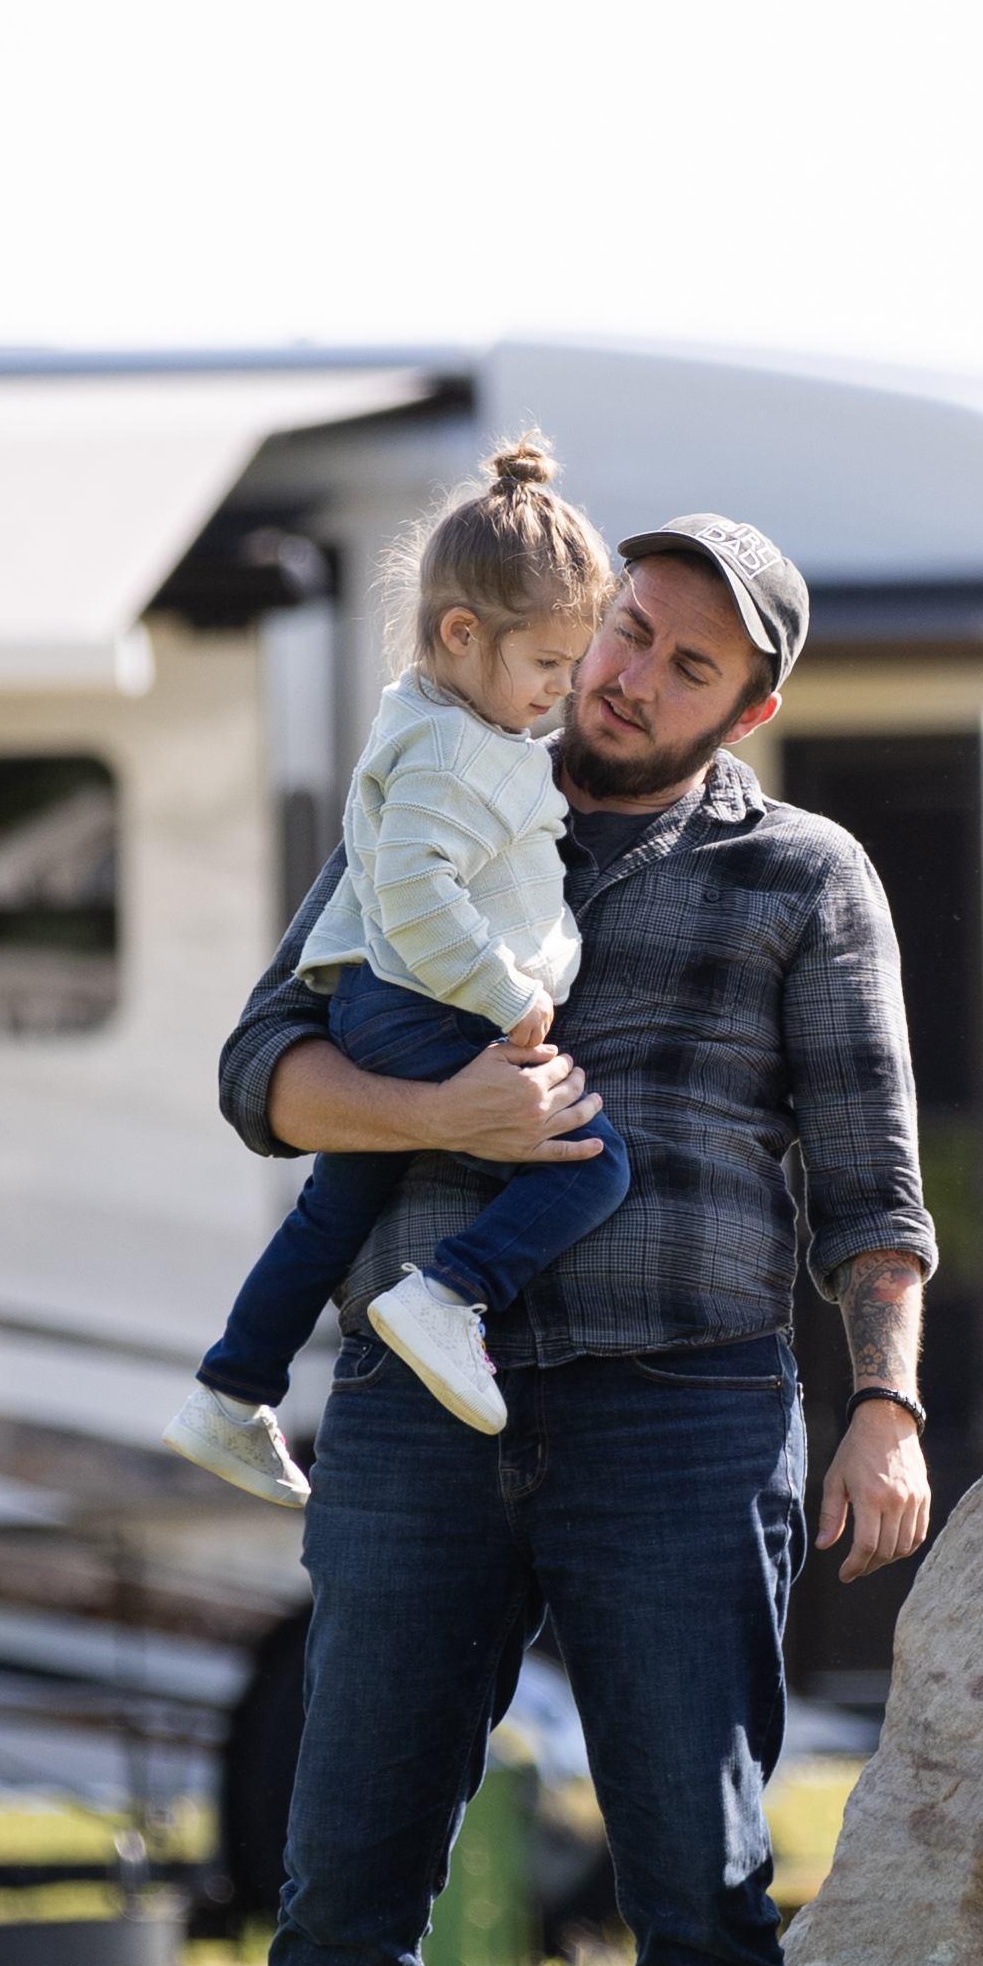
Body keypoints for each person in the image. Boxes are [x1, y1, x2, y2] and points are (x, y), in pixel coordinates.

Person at [217, 508, 932, 1966]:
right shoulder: (436, 787)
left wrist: (888, 1406)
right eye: (629, 633)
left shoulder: (804, 877)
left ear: (744, 714)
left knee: (702, 1875)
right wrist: (435, 1113)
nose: (632, 676)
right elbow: (262, 1071)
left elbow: (870, 1181)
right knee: (346, 1878)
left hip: (682, 1418)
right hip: (412, 1414)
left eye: (692, 665)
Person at [166, 440, 637, 1504]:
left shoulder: (449, 722)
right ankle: (452, 1294)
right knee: (594, 1160)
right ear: (463, 634)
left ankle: (229, 1392)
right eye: (549, 665)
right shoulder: (440, 751)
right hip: (425, 1003)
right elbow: (421, 902)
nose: (564, 692)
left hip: (391, 1001)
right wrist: (512, 996)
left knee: (332, 1216)